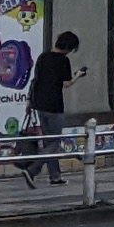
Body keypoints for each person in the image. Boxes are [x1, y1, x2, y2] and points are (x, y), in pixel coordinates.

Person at [23, 30, 92, 187]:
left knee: (49, 142)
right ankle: (32, 170)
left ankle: (55, 177)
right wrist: (78, 75)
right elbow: (66, 84)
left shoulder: (43, 57)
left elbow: (35, 81)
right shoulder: (63, 61)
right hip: (54, 106)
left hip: (39, 105)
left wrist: (29, 101)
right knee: (54, 142)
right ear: (68, 47)